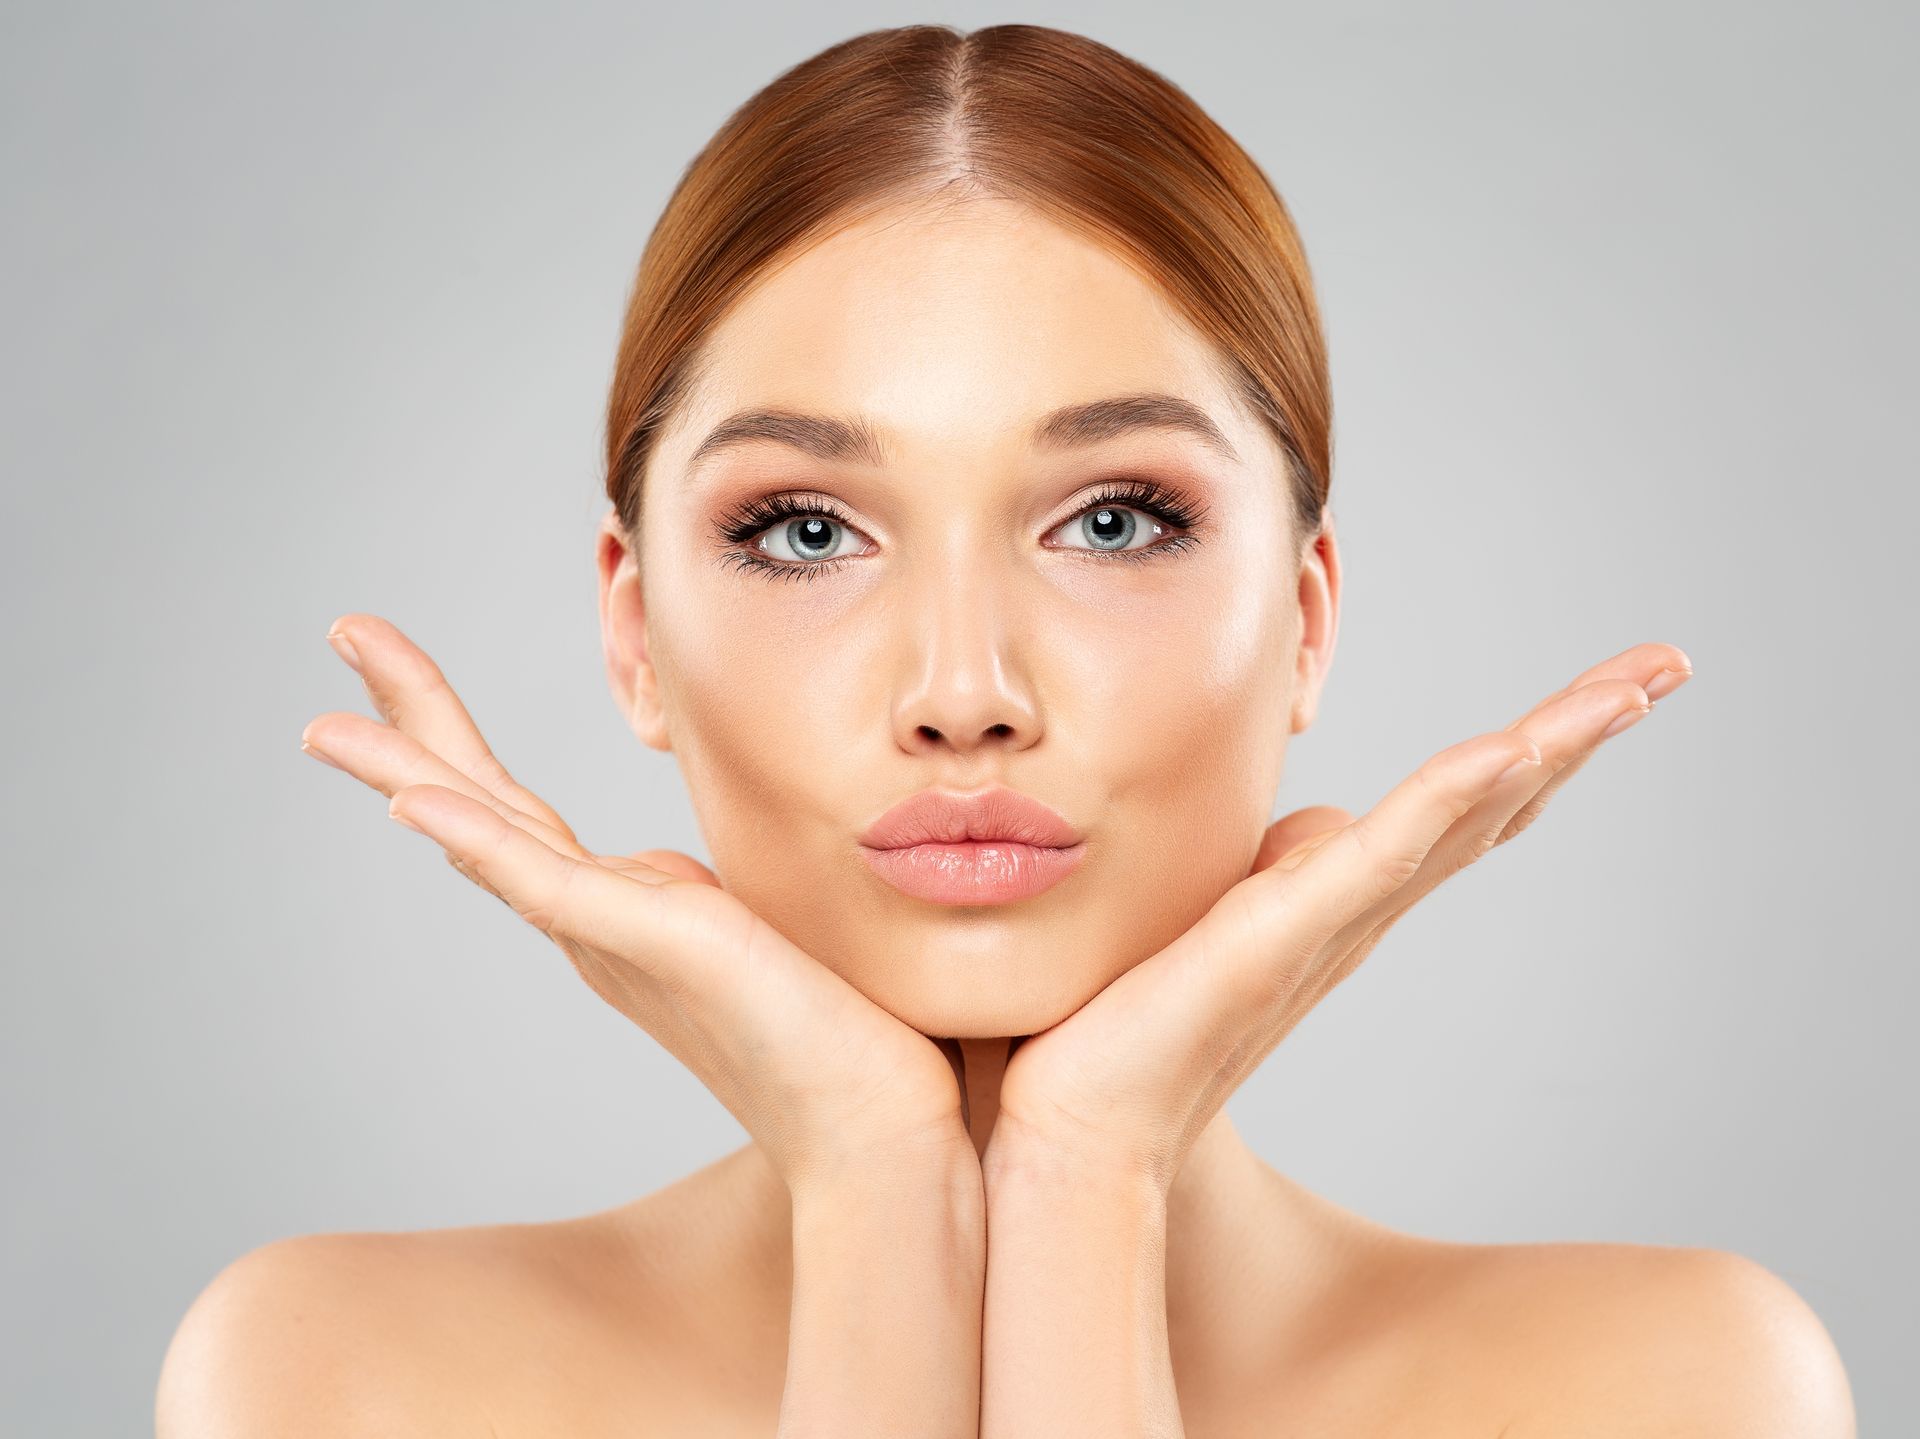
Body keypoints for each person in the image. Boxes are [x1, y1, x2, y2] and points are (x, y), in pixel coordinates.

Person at [156, 23, 1855, 1437]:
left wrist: (1085, 1180)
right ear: (636, 631)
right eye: (808, 530)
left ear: (1306, 622)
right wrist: (875, 1181)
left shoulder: (1673, 1386)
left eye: (1113, 520)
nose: (963, 690)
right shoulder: (333, 1377)